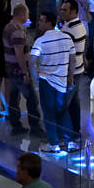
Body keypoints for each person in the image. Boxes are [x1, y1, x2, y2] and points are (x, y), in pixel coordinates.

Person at [30, 11, 76, 154]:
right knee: (63, 110)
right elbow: (73, 60)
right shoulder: (67, 38)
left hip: (47, 81)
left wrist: (36, 77)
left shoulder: (40, 41)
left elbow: (31, 62)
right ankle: (70, 141)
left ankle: (53, 144)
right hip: (62, 81)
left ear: (49, 23)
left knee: (49, 113)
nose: (39, 23)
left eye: (41, 20)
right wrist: (70, 77)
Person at [3, 4, 45, 138]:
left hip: (10, 69)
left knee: (13, 98)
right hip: (18, 71)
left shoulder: (9, 27)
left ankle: (16, 125)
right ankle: (35, 128)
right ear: (21, 15)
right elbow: (19, 54)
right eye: (26, 14)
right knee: (32, 99)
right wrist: (25, 72)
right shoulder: (17, 32)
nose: (28, 16)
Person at [59, 0, 88, 147]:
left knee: (63, 105)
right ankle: (75, 132)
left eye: (65, 10)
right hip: (79, 69)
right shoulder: (80, 25)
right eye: (61, 9)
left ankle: (66, 135)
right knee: (74, 103)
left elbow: (67, 54)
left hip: (71, 72)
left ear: (73, 11)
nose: (61, 12)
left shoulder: (69, 30)